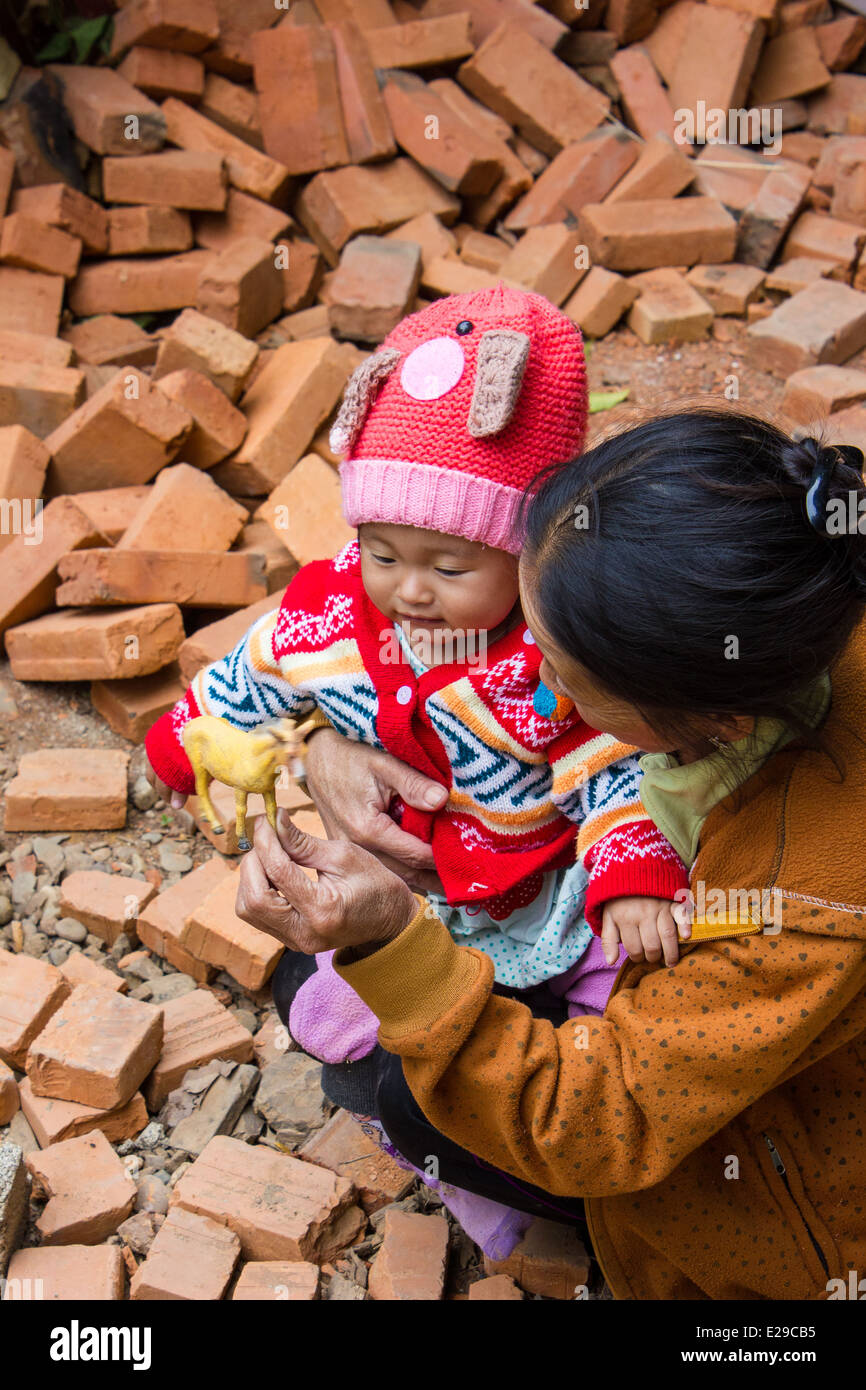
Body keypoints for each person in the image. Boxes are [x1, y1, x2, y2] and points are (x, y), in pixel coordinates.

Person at [235, 407, 866, 1300]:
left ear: (713, 722)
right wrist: (325, 744)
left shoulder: (805, 912)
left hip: (768, 1202)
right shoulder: (792, 591)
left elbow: (595, 1119)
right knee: (320, 994)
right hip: (675, 1008)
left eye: (564, 679)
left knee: (412, 1094)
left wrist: (392, 943)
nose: (534, 686)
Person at [144, 286, 688, 1116]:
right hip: (414, 893)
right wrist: (186, 739)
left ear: (527, 555)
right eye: (382, 553)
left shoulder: (550, 657)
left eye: (450, 567)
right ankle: (402, 995)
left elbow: (613, 767)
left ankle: (561, 1044)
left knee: (617, 982)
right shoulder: (329, 611)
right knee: (349, 987)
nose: (410, 590)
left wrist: (630, 872)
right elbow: (251, 674)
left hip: (542, 887)